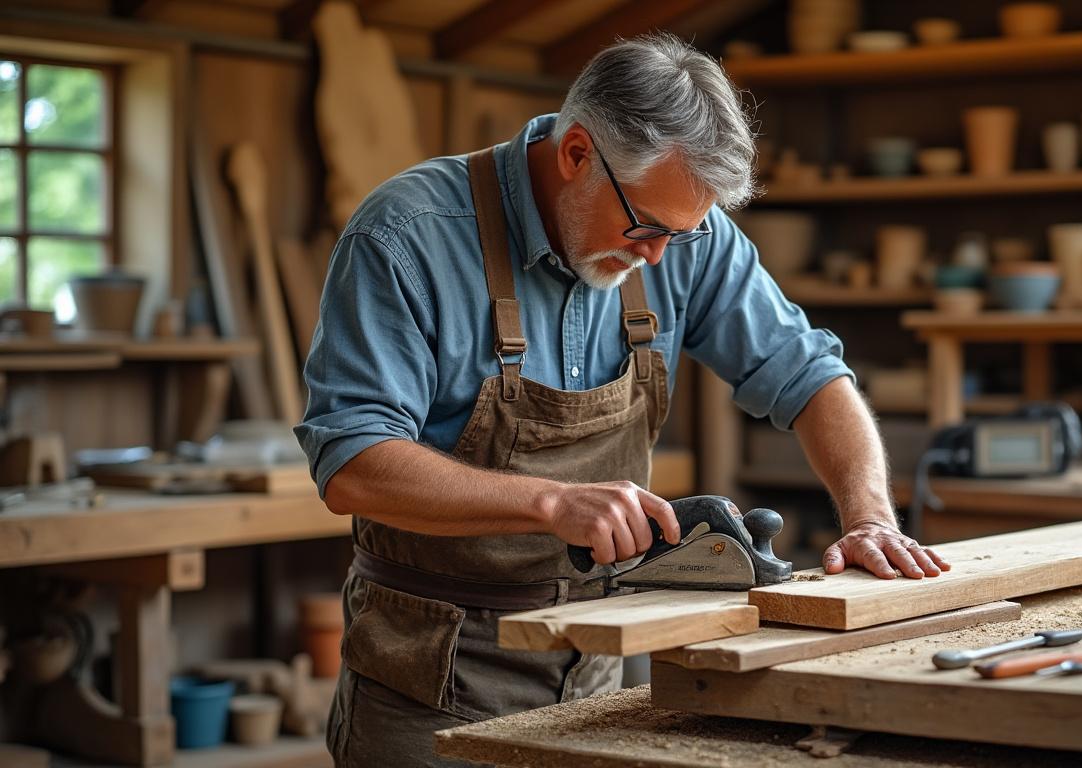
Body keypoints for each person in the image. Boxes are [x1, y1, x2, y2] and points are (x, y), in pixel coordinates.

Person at [296, 33, 950, 766]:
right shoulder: (408, 237)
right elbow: (351, 462)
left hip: (605, 659)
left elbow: (811, 376)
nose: (658, 256)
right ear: (577, 154)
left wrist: (870, 517)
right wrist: (550, 503)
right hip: (432, 674)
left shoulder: (677, 234)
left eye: (682, 233)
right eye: (643, 227)